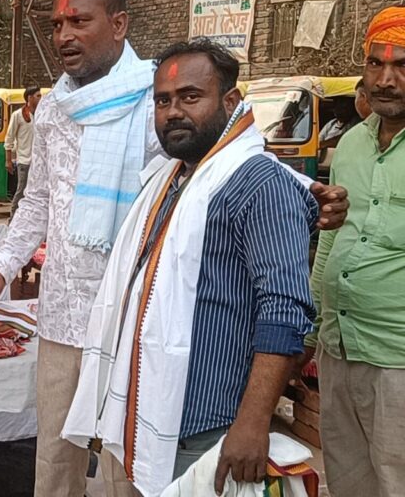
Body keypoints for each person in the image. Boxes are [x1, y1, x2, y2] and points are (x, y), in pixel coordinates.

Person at [0, 0, 348, 497]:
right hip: (64, 314)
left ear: (119, 24)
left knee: (129, 465)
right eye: (56, 25)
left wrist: (305, 190)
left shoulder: (158, 92)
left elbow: (225, 157)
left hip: (139, 321)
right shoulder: (54, 107)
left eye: (79, 21)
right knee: (55, 457)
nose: (64, 36)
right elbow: (38, 200)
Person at [63, 39, 317, 496]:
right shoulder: (172, 178)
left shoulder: (260, 184)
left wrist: (253, 422)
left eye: (191, 97)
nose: (173, 112)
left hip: (213, 424)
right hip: (159, 411)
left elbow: (284, 312)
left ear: (231, 101)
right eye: (163, 101)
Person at [307, 6, 405, 496]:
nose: (386, 79)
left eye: (402, 65)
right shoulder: (349, 146)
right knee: (348, 481)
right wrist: (310, 330)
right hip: (339, 347)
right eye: (375, 64)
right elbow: (331, 238)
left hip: (397, 359)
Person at [5, 86, 41, 217]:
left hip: (39, 162)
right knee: (21, 191)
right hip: (24, 161)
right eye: (38, 96)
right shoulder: (18, 115)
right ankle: (12, 219)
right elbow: (9, 138)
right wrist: (8, 160)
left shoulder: (41, 114)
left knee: (37, 192)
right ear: (29, 98)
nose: (40, 98)